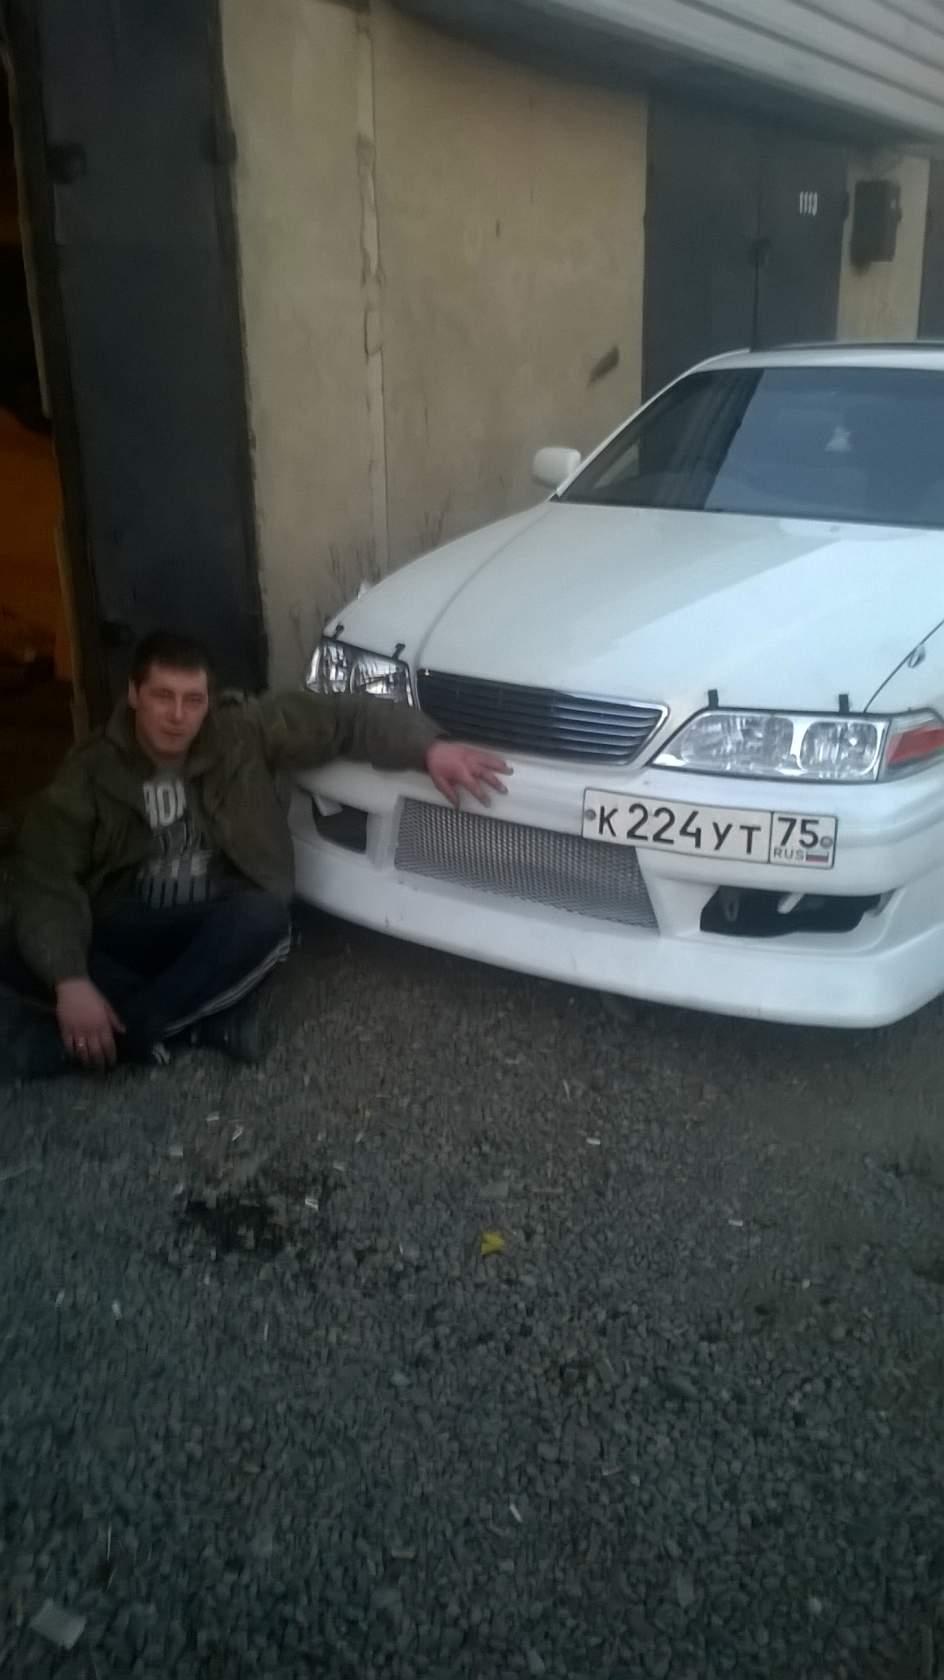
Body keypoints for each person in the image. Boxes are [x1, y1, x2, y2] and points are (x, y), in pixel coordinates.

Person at [1, 629, 510, 1079]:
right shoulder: (89, 772)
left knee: (263, 920)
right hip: (130, 925)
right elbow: (45, 877)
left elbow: (342, 719)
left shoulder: (242, 732)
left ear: (209, 701)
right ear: (134, 695)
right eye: (162, 696)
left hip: (217, 919)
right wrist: (70, 980)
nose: (178, 716)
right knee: (23, 943)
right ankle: (198, 1024)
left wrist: (429, 748)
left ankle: (123, 1034)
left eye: (193, 700)